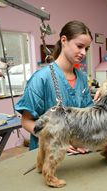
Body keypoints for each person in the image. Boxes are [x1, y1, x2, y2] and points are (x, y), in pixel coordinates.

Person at [15, 20, 93, 154]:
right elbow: (26, 121)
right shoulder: (41, 78)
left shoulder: (82, 78)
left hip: (78, 153)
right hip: (48, 154)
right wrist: (54, 139)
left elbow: (88, 114)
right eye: (79, 46)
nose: (84, 52)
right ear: (64, 40)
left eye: (86, 48)